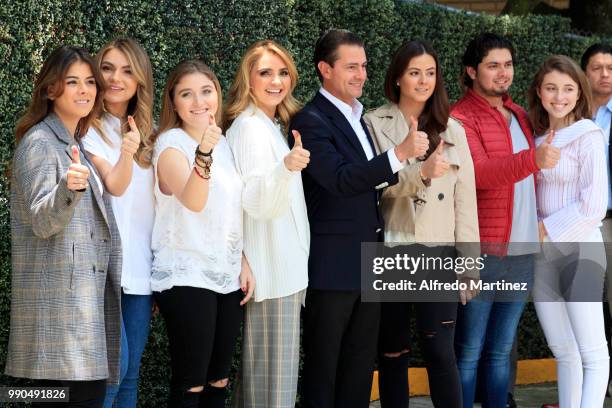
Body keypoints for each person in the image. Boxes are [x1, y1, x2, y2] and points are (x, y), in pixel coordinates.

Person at [289, 29, 423, 408]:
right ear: (324, 69)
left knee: (360, 370)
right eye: (351, 67)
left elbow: (371, 185)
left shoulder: (360, 118)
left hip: (369, 262)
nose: (361, 74)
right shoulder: (311, 120)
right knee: (324, 370)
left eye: (363, 66)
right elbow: (339, 180)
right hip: (331, 268)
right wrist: (399, 154)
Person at [363, 40, 480, 408]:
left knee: (440, 351)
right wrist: (421, 173)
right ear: (398, 77)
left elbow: (465, 201)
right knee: (392, 353)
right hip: (391, 250)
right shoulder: (372, 122)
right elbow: (372, 189)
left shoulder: (454, 129)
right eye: (414, 72)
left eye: (430, 73)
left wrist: (469, 265)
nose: (423, 80)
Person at [5, 45, 121, 408]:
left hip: (80, 322)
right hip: (58, 328)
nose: (85, 89)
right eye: (73, 82)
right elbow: (41, 220)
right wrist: (67, 189)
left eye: (90, 81)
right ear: (51, 89)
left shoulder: (74, 145)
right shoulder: (40, 143)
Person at [450, 32, 560, 408]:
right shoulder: (460, 118)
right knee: (468, 351)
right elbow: (478, 174)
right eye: (493, 66)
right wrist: (533, 160)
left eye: (508, 65)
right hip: (483, 250)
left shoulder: (519, 116)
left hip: (521, 252)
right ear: (471, 70)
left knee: (499, 353)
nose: (503, 73)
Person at [150, 59, 255, 408]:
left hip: (226, 276)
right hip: (186, 275)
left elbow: (226, 211)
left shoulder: (225, 145)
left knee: (218, 380)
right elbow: (195, 200)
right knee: (191, 383)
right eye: (187, 94)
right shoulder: (169, 144)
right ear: (174, 103)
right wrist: (204, 152)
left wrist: (241, 259)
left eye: (206, 91)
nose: (199, 102)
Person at [224, 40, 309, 408]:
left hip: (282, 273)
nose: (276, 81)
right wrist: (286, 168)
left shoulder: (269, 125)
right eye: (265, 73)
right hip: (271, 275)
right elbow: (255, 202)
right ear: (249, 79)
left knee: (263, 388)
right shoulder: (249, 128)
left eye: (282, 72)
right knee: (273, 393)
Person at [529, 55, 609, 408]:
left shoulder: (589, 134)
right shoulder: (533, 139)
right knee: (563, 350)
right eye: (551, 88)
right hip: (541, 255)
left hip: (581, 252)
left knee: (592, 352)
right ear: (539, 92)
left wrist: (542, 229)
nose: (558, 97)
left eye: (567, 89)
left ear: (579, 94)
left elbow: (594, 206)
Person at [81, 37, 155, 408]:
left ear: (140, 79)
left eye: (127, 70)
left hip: (141, 270)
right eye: (107, 67)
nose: (115, 78)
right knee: (113, 372)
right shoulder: (85, 129)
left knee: (130, 375)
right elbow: (116, 186)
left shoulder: (152, 135)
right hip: (104, 269)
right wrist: (127, 151)